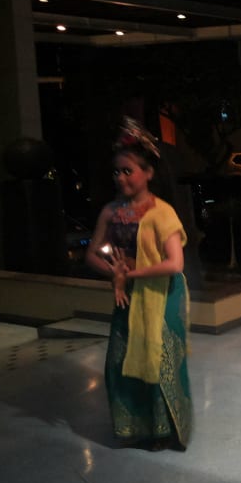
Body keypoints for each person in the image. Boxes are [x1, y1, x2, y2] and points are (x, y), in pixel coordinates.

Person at [85, 117, 193, 451]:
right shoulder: (110, 212)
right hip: (126, 297)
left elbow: (175, 263)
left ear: (148, 173)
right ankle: (133, 427)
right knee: (120, 361)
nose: (121, 178)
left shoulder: (162, 213)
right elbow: (91, 254)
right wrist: (114, 273)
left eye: (128, 171)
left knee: (159, 360)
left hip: (162, 295)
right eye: (117, 172)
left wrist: (128, 275)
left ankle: (164, 430)